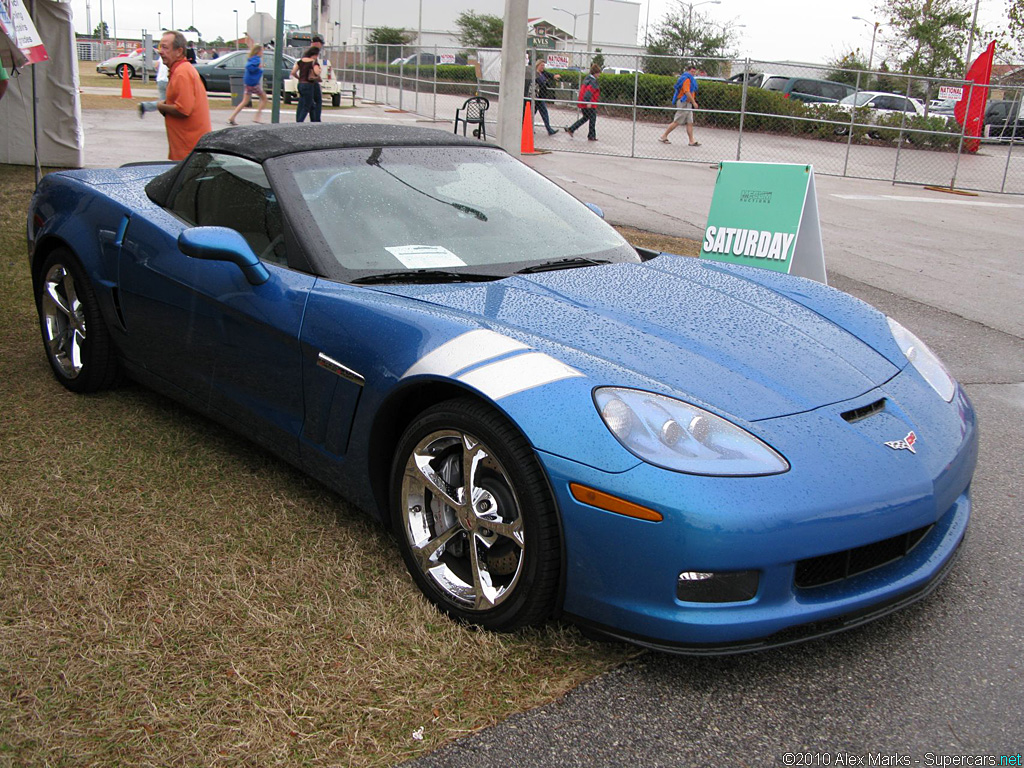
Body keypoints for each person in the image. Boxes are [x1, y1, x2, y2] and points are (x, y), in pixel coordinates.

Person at [156, 30, 212, 161]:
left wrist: (161, 107)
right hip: (187, 149)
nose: (160, 51)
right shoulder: (179, 70)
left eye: (165, 47)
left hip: (189, 151)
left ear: (179, 51)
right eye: (160, 47)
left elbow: (183, 109)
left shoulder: (182, 73)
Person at [227, 44, 268, 125]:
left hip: (248, 82)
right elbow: (250, 67)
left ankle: (232, 117)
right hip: (253, 83)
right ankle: (257, 117)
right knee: (264, 98)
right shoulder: (256, 59)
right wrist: (259, 68)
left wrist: (258, 67)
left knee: (245, 101)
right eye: (262, 51)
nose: (262, 53)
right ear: (258, 51)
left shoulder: (251, 58)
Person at [660, 64, 700, 146]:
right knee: (677, 121)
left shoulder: (691, 79)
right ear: (688, 71)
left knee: (690, 122)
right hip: (683, 102)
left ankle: (691, 140)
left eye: (694, 72)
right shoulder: (686, 79)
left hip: (688, 103)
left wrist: (691, 102)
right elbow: (687, 92)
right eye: (692, 71)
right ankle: (664, 136)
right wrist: (694, 102)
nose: (693, 73)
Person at [565, 63, 601, 141]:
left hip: (582, 102)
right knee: (592, 119)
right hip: (589, 103)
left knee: (586, 117)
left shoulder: (587, 79)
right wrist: (588, 101)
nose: (599, 75)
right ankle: (591, 135)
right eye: (598, 73)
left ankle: (572, 129)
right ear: (595, 73)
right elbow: (589, 92)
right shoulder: (593, 82)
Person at [290, 45, 322, 123]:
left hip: (300, 84)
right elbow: (316, 72)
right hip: (309, 84)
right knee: (307, 106)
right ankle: (299, 122)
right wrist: (319, 69)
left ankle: (310, 120)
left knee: (304, 103)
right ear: (315, 54)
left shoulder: (300, 61)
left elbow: (293, 72)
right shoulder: (313, 61)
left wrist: (299, 78)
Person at [534, 59, 561, 136]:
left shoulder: (542, 73)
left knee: (540, 113)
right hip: (537, 97)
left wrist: (554, 76)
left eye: (543, 65)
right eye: (541, 65)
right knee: (540, 113)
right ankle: (549, 129)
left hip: (541, 97)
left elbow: (549, 75)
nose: (543, 67)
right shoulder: (535, 74)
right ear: (538, 65)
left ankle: (549, 129)